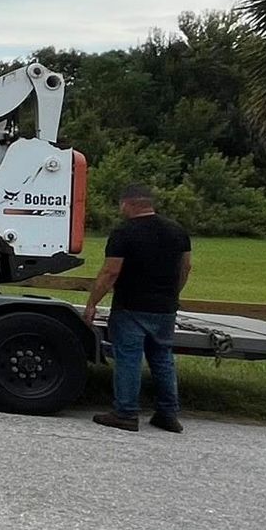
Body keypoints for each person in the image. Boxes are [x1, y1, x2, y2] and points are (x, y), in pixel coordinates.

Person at [82, 184, 193, 433]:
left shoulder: (124, 233)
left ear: (127, 203)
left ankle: (126, 413)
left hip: (131, 307)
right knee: (163, 358)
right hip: (165, 307)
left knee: (129, 359)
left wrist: (92, 303)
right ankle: (168, 413)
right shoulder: (177, 231)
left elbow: (111, 271)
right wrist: (173, 294)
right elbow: (185, 267)